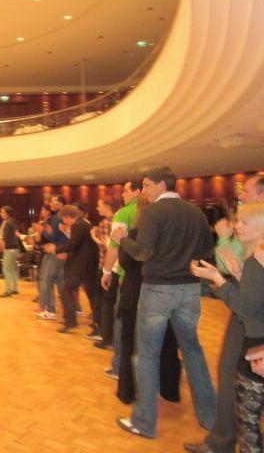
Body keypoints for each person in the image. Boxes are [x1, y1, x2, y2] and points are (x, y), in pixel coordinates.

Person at [114, 166, 216, 439]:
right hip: (189, 290)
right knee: (193, 351)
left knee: (147, 355)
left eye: (147, 185)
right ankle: (210, 417)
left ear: (161, 185)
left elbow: (142, 253)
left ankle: (144, 423)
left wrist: (121, 239)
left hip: (158, 289)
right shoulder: (195, 212)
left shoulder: (153, 212)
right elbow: (208, 249)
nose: (143, 191)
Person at [184, 174, 264, 453]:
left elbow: (247, 304)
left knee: (242, 390)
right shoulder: (255, 254)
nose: (241, 196)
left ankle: (224, 442)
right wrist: (236, 274)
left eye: (247, 192)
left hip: (254, 329)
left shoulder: (258, 255)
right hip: (253, 323)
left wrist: (219, 280)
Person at [115, 194, 182, 405]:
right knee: (167, 340)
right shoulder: (171, 234)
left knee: (132, 343)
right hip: (166, 294)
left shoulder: (136, 234)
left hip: (138, 293)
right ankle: (169, 390)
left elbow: (127, 263)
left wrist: (121, 241)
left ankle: (129, 392)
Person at [97, 180, 142, 371]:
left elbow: (114, 246)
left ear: (137, 192)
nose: (122, 195)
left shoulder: (123, 213)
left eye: (125, 191)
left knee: (122, 320)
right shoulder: (152, 211)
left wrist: (107, 271)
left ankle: (119, 367)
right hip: (148, 277)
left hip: (126, 274)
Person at [47, 205, 99, 333]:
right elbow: (78, 243)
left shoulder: (78, 225)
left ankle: (71, 323)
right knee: (92, 294)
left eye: (64, 219)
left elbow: (72, 244)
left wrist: (55, 249)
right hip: (89, 264)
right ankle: (98, 324)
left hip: (81, 264)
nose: (64, 222)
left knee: (67, 290)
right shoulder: (84, 223)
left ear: (67, 217)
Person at [89, 196, 119, 340]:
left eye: (99, 205)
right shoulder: (116, 221)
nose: (97, 208)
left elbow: (108, 246)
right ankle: (106, 332)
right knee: (106, 301)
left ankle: (104, 334)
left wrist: (94, 238)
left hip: (106, 268)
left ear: (107, 206)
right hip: (113, 268)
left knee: (103, 301)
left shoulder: (106, 223)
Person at [34, 195, 68, 319]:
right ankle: (69, 310)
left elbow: (53, 238)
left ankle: (50, 310)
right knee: (60, 281)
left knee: (46, 280)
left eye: (54, 202)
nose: (51, 204)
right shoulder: (62, 217)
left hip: (54, 252)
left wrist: (41, 230)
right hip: (62, 252)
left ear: (60, 204)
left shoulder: (56, 218)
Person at [0, 206, 20, 298]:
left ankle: (8, 290)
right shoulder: (12, 221)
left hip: (9, 248)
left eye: (2, 212)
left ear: (7, 213)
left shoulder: (7, 223)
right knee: (12, 268)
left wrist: (2, 246)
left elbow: (5, 237)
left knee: (6, 269)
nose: (0, 213)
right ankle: (15, 289)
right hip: (15, 248)